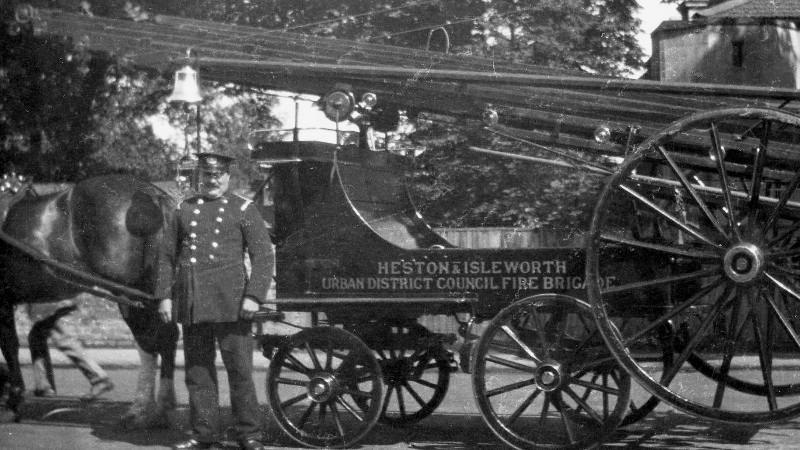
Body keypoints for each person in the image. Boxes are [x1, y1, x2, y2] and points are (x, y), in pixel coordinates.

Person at [156, 149, 272, 450]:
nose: (212, 180)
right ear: (199, 176)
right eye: (206, 175)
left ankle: (249, 433)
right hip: (193, 301)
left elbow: (263, 256)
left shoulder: (244, 209)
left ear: (228, 177)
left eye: (218, 175)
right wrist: (164, 297)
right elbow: (166, 258)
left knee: (240, 372)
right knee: (198, 373)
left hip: (232, 302)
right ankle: (203, 433)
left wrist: (254, 296)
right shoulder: (184, 209)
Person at [26, 298, 115, 399]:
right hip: (50, 300)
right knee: (40, 335)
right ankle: (42, 386)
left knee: (57, 336)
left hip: (49, 299)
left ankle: (99, 379)